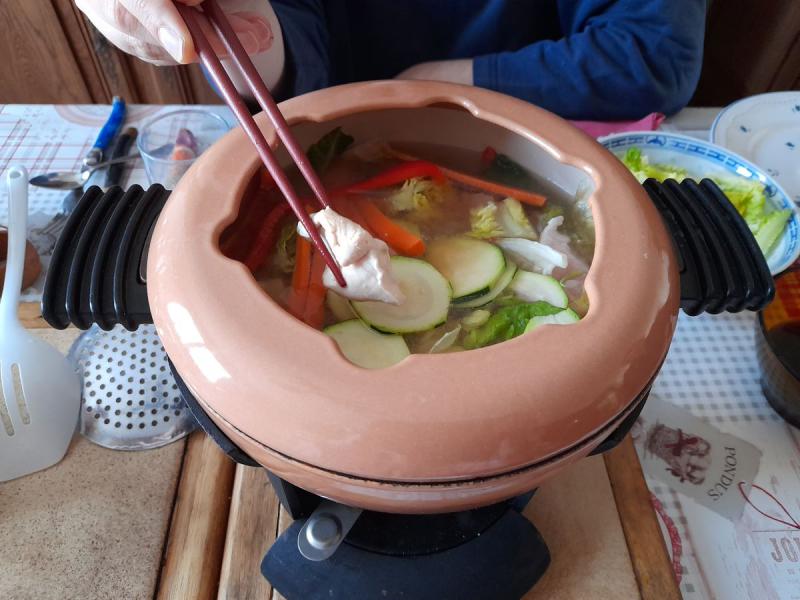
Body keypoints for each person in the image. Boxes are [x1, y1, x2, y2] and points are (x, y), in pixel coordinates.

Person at [74, 0, 707, 120]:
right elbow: (284, 57)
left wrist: (434, 81)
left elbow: (656, 53)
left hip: (527, 131)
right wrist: (215, 12)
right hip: (331, 141)